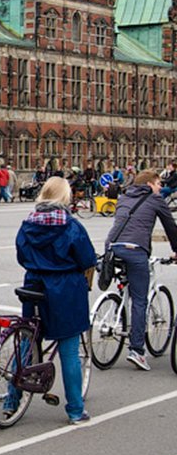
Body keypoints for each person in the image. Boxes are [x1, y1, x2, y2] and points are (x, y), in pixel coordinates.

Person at [13, 177, 96, 424]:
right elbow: (87, 259)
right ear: (64, 197)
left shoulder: (27, 224)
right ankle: (75, 410)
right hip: (65, 289)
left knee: (28, 344)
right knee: (69, 351)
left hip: (35, 285)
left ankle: (10, 401)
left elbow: (21, 255)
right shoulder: (71, 226)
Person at [105, 169, 177, 371]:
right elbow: (170, 227)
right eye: (158, 183)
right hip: (136, 251)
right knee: (139, 299)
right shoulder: (155, 200)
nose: (161, 187)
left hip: (113, 248)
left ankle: (116, 311)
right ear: (150, 184)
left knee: (126, 287)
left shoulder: (124, 197)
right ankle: (136, 350)